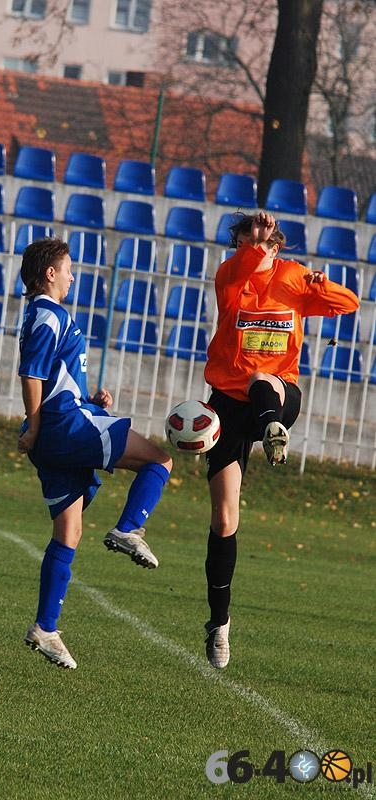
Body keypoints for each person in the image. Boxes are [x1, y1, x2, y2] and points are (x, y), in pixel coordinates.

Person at [203, 211, 360, 669]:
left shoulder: (291, 279)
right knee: (224, 518)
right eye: (245, 241)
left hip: (279, 394)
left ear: (277, 248)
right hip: (229, 406)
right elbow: (242, 265)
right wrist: (255, 242)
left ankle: (274, 428)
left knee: (263, 379)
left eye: (261, 242)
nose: (251, 247)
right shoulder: (230, 277)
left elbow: (346, 302)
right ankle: (219, 623)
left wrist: (319, 281)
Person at [17, 237, 172, 669]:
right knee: (159, 460)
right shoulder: (49, 313)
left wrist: (90, 402)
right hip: (62, 427)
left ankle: (46, 629)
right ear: (49, 273)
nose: (72, 275)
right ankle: (128, 529)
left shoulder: (41, 314)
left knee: (68, 533)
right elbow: (31, 374)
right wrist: (35, 424)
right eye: (67, 268)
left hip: (66, 423)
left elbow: (52, 378)